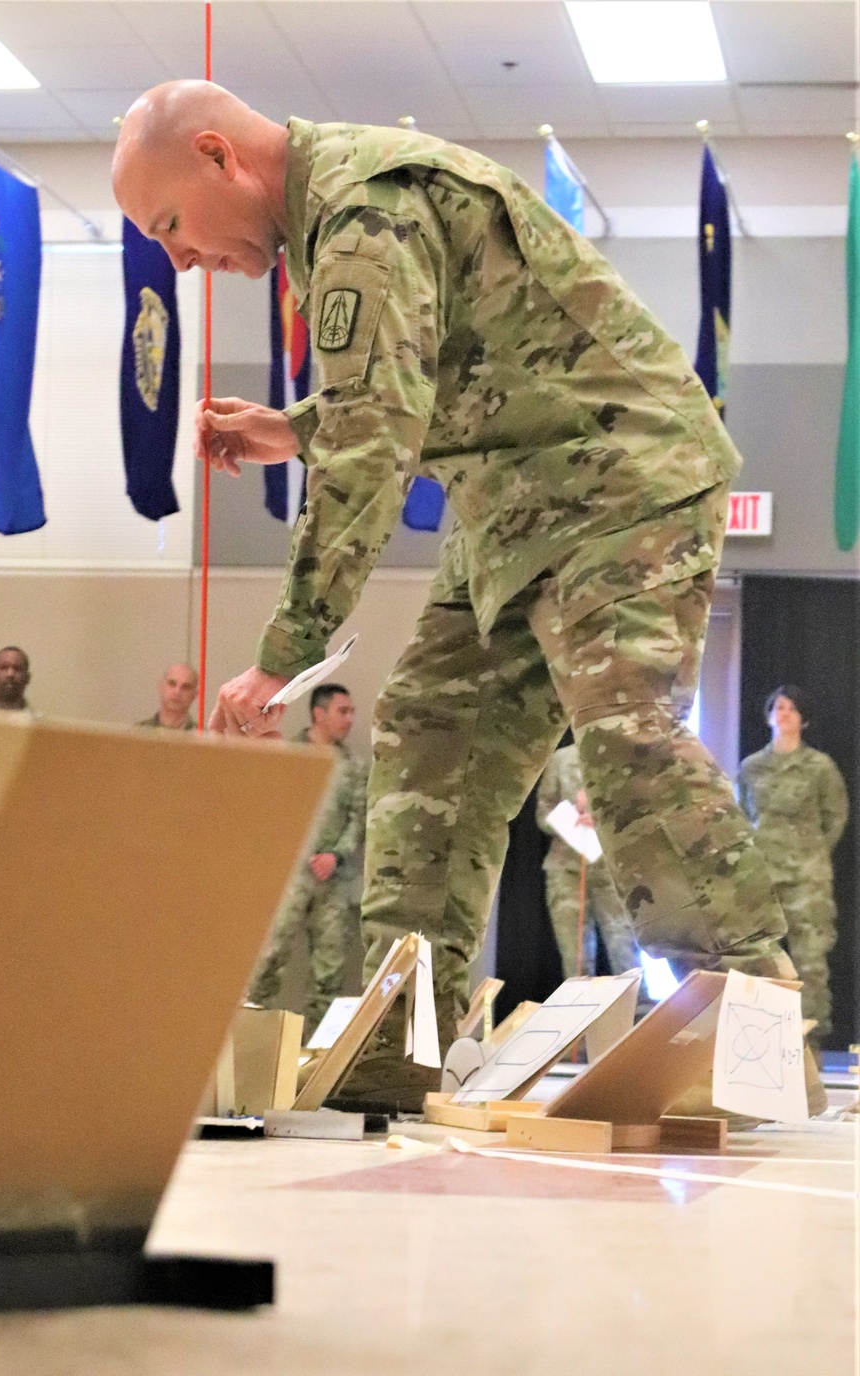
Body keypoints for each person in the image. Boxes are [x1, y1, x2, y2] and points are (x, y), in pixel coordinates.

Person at [113, 82, 794, 1109]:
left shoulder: (362, 211)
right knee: (430, 734)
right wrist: (294, 426)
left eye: (169, 225)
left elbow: (370, 449)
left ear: (218, 155)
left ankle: (752, 1022)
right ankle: (401, 1039)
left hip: (620, 479)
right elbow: (419, 380)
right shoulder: (342, 215)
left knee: (624, 735)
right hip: (515, 503)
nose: (178, 258)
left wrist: (284, 649)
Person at [248, 684, 367, 1035]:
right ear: (319, 714)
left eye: (351, 711)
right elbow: (271, 816)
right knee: (266, 963)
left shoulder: (354, 766)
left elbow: (358, 820)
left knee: (329, 974)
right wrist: (303, 854)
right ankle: (251, 1046)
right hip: (288, 879)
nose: (350, 719)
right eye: (342, 711)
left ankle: (313, 1061)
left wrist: (335, 856)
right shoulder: (288, 756)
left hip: (334, 884)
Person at [737, 686, 849, 1055]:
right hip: (762, 874)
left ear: (804, 718)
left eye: (791, 708)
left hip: (807, 878)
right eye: (777, 708)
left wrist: (809, 852)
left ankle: (809, 1047)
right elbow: (742, 815)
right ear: (768, 716)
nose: (783, 714)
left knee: (810, 963)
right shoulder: (751, 767)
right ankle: (761, 1046)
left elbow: (835, 818)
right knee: (760, 963)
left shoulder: (819, 766)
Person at [536, 741, 641, 982]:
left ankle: (638, 1013)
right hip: (567, 868)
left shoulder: (623, 758)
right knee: (575, 957)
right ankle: (581, 1014)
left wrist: (602, 816)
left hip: (613, 870)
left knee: (624, 948)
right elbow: (543, 812)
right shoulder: (561, 759)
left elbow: (637, 810)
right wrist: (570, 818)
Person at [137, 662, 199, 731]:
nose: (177, 692)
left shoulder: (203, 738)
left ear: (195, 695)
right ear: (161, 686)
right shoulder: (136, 735)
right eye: (172, 684)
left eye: (186, 687)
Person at [0, 647, 32, 713]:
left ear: (28, 677)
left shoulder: (41, 722)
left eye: (17, 668)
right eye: (4, 668)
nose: (10, 674)